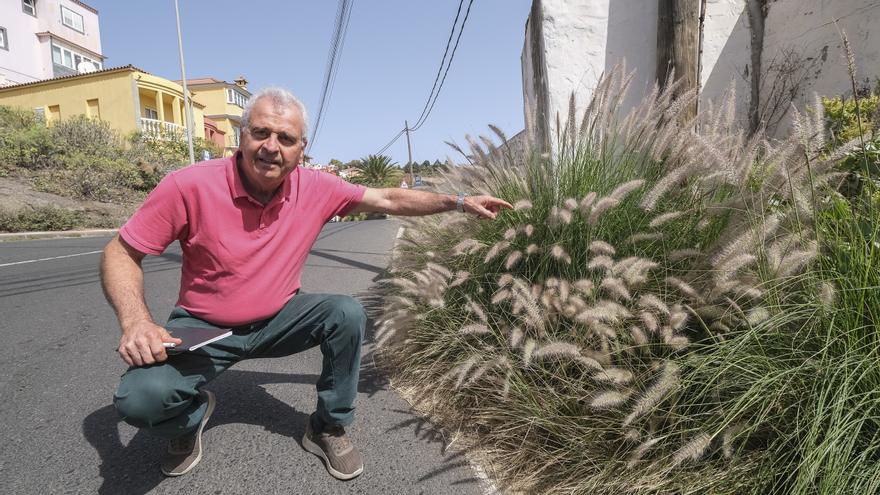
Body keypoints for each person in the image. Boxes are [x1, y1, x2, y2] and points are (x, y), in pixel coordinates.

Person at [100, 87, 512, 481]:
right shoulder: (188, 185)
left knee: (345, 313)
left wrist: (457, 202)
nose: (271, 146)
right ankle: (189, 418)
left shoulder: (316, 186)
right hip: (205, 327)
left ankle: (327, 427)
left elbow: (387, 199)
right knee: (139, 400)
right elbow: (121, 252)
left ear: (301, 149)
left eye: (285, 137)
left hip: (280, 317)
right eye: (260, 132)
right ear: (241, 137)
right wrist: (136, 321)